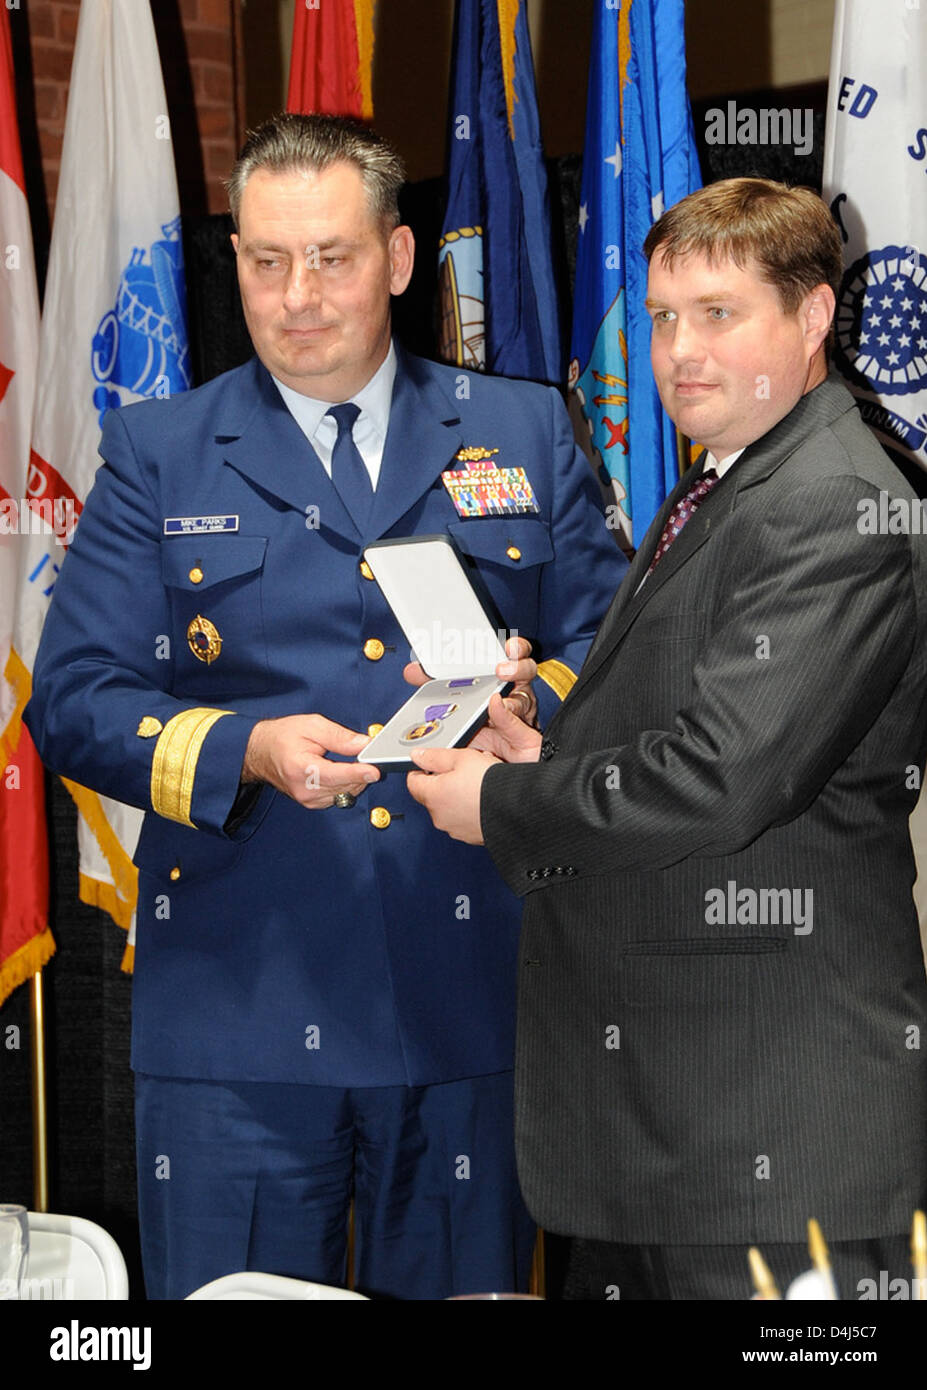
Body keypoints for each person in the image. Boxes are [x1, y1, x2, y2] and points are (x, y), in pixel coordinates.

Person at [24, 113, 625, 1300]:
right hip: (242, 1008)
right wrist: (243, 749)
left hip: (469, 1003)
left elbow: (614, 643)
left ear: (398, 261)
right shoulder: (160, 450)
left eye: (332, 258)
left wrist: (530, 705)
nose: (297, 295)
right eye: (265, 260)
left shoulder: (521, 428)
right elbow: (76, 696)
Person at [409, 178, 927, 1300]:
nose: (679, 349)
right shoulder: (731, 479)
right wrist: (534, 744)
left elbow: (723, 778)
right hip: (667, 1138)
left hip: (771, 1152)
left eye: (719, 312)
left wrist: (499, 807)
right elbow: (680, 727)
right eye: (660, 317)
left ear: (815, 317)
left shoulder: (833, 501)